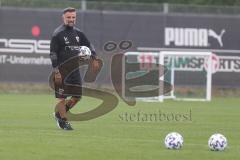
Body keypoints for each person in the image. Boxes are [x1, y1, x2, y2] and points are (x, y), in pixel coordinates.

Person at [50, 7, 99, 130]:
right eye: (68, 17)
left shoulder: (78, 33)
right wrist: (56, 70)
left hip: (74, 70)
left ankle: (59, 114)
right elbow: (53, 53)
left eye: (73, 17)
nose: (71, 20)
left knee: (77, 97)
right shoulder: (57, 34)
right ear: (63, 18)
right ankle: (63, 120)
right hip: (61, 71)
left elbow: (89, 45)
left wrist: (94, 57)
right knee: (62, 97)